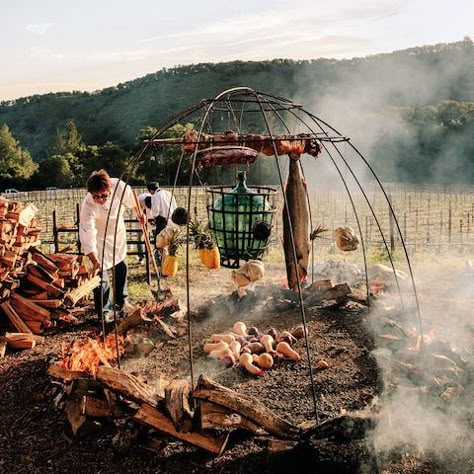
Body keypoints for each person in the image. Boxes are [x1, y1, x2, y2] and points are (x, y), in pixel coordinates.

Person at [79, 169, 136, 322]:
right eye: (96, 196)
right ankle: (104, 310)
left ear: (109, 189)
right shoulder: (88, 205)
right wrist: (94, 258)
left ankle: (121, 300)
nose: (100, 199)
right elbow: (87, 231)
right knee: (101, 273)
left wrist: (140, 213)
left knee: (121, 266)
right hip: (98, 237)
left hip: (117, 231)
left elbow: (132, 200)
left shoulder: (119, 186)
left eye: (103, 195)